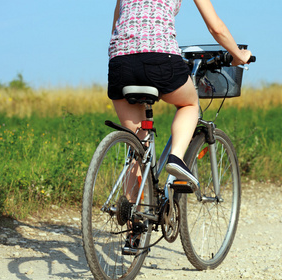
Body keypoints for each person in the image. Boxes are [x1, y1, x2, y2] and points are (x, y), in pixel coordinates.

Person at [107, 0, 252, 188]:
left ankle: (130, 215)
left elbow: (116, 25)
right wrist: (239, 55)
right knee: (189, 104)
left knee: (137, 148)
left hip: (120, 61)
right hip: (160, 57)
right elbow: (216, 28)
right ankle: (176, 158)